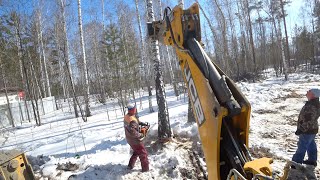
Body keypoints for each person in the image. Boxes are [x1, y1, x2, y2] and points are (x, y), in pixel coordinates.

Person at [292, 88, 320, 167]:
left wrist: (301, 129)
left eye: (309, 91)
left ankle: (296, 163)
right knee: (311, 144)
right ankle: (312, 160)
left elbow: (309, 120)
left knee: (302, 146)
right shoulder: (314, 103)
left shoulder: (311, 106)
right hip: (312, 129)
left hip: (307, 130)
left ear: (313, 95)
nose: (307, 92)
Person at [124, 103, 149, 172]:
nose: (135, 110)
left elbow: (135, 122)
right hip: (135, 140)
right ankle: (145, 169)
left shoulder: (127, 116)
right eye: (134, 109)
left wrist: (141, 123)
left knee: (136, 151)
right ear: (132, 110)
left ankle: (130, 165)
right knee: (143, 153)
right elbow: (133, 131)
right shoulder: (132, 120)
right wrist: (140, 134)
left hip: (129, 139)